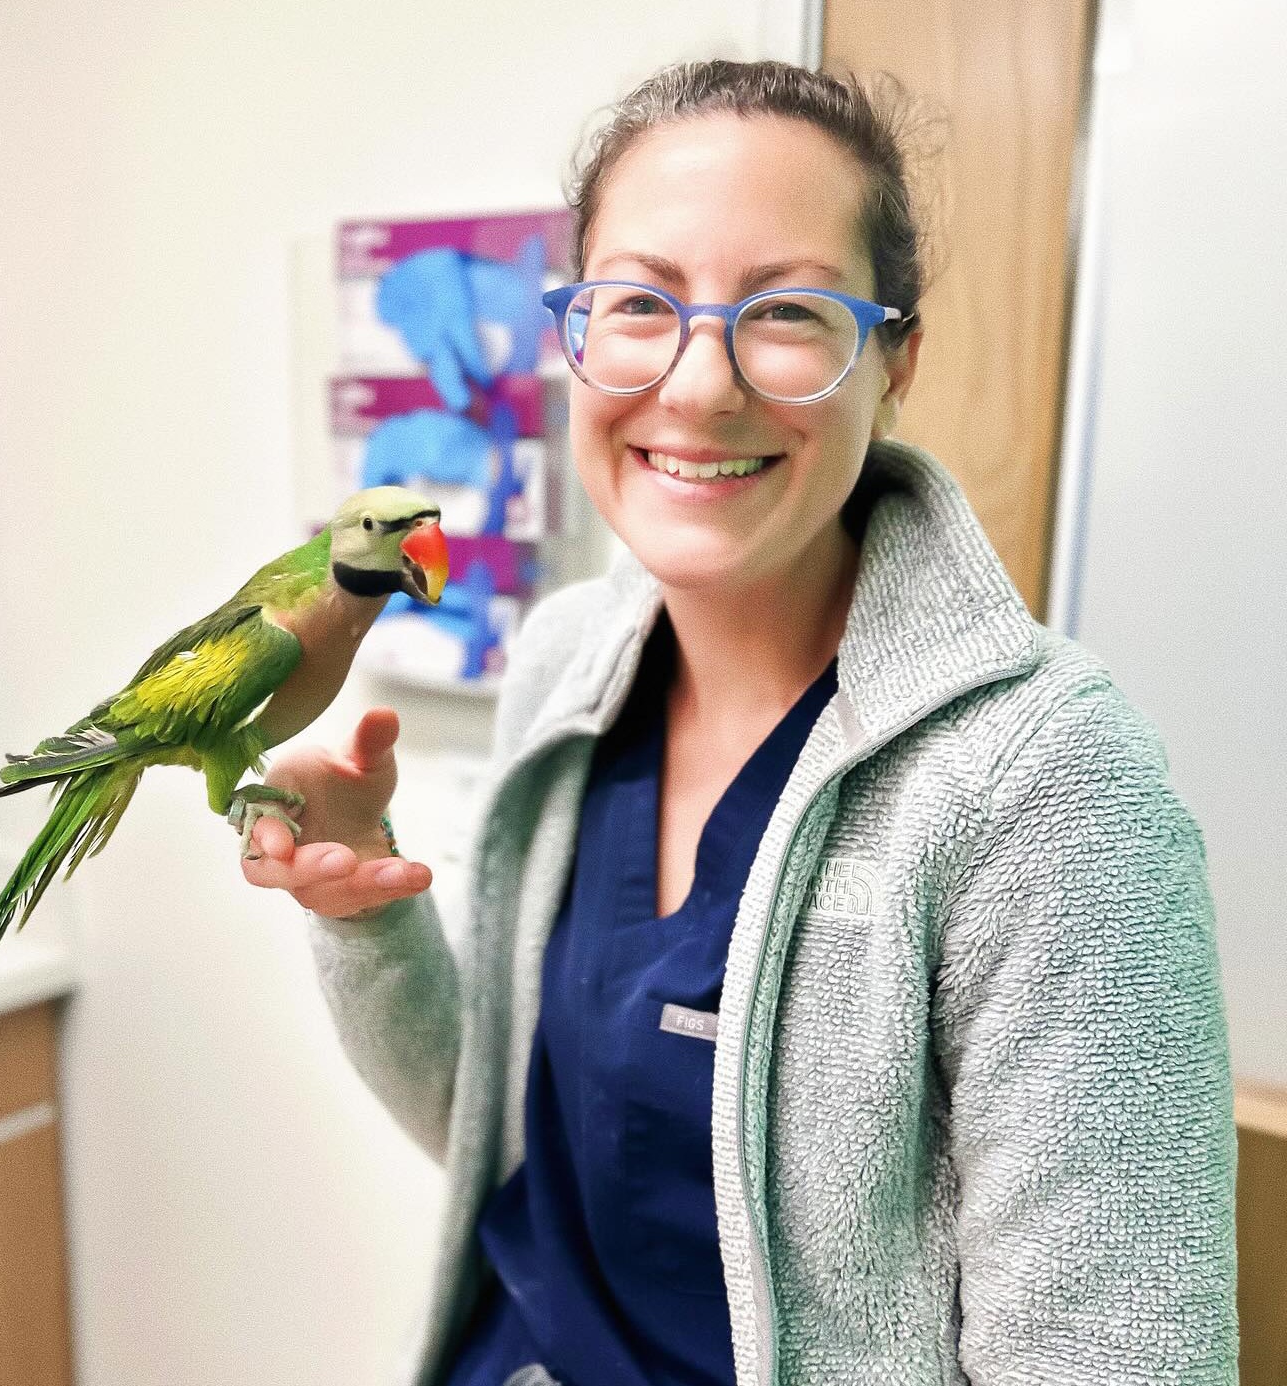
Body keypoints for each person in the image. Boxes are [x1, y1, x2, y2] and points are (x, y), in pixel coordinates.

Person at [242, 59, 1238, 1386]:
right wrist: (366, 914)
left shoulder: (1046, 787)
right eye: (639, 303)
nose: (699, 386)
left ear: (896, 360)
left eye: (787, 313)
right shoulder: (567, 669)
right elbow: (523, 1148)